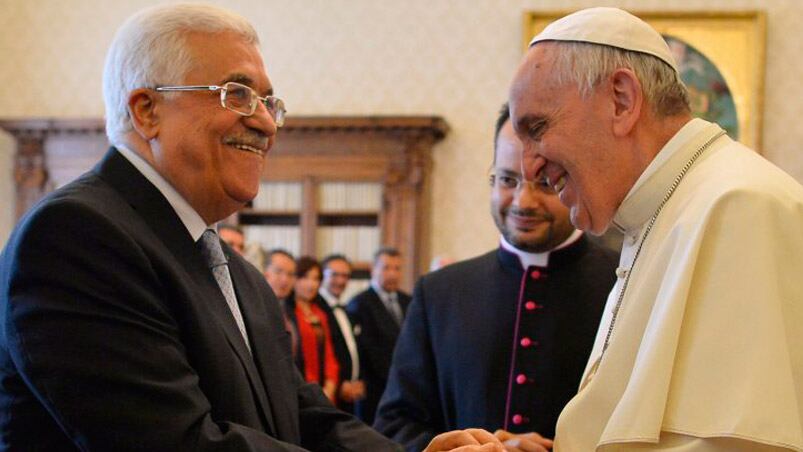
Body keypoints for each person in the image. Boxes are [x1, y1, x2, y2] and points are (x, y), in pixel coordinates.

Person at [0, 4, 397, 450]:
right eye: (237, 94)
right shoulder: (76, 237)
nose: (266, 122)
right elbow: (178, 442)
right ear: (147, 110)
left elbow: (301, 415)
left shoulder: (238, 273)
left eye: (269, 102)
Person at [427, 6, 803, 452]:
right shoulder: (659, 216)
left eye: (538, 128)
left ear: (622, 99)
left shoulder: (738, 206)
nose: (531, 167)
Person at [375, 104, 618, 451]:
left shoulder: (625, 286)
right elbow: (394, 425)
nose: (523, 201)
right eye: (508, 180)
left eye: (545, 183)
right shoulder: (440, 292)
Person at [347, 247, 411, 425]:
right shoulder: (359, 303)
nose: (392, 274)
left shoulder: (409, 301)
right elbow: (360, 350)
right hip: (373, 391)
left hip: (404, 389)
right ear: (373, 269)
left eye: (397, 268)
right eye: (386, 268)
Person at [288, 256, 340, 403]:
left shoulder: (320, 313)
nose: (311, 284)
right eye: (305, 277)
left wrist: (330, 387)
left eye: (316, 279)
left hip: (323, 390)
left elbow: (330, 355)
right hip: (298, 389)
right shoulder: (286, 313)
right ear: (295, 279)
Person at [319, 254, 366, 413]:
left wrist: (358, 381)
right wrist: (339, 384)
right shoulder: (316, 309)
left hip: (350, 396)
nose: (340, 281)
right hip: (328, 395)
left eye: (345, 276)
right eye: (334, 275)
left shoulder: (346, 310)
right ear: (322, 275)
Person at [264, 248, 303, 368]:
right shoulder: (253, 309)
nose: (285, 280)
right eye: (278, 271)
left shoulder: (291, 311)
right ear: (265, 273)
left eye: (290, 274)